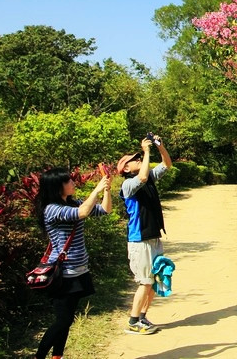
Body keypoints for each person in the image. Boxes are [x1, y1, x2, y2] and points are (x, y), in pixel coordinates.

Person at [35, 167, 112, 359]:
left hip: (79, 271)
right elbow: (83, 212)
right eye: (68, 181)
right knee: (62, 320)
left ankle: (57, 356)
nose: (73, 183)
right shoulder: (52, 209)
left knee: (67, 320)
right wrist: (96, 190)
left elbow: (104, 210)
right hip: (62, 274)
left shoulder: (72, 203)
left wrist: (107, 190)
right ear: (57, 186)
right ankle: (39, 355)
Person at [117, 134, 172, 335]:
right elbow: (141, 177)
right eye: (134, 160)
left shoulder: (148, 178)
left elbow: (167, 164)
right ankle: (133, 321)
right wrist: (147, 151)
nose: (139, 159)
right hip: (139, 240)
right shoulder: (128, 185)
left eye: (139, 157)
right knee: (145, 281)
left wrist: (160, 146)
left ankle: (142, 317)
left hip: (153, 236)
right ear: (125, 169)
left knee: (155, 279)